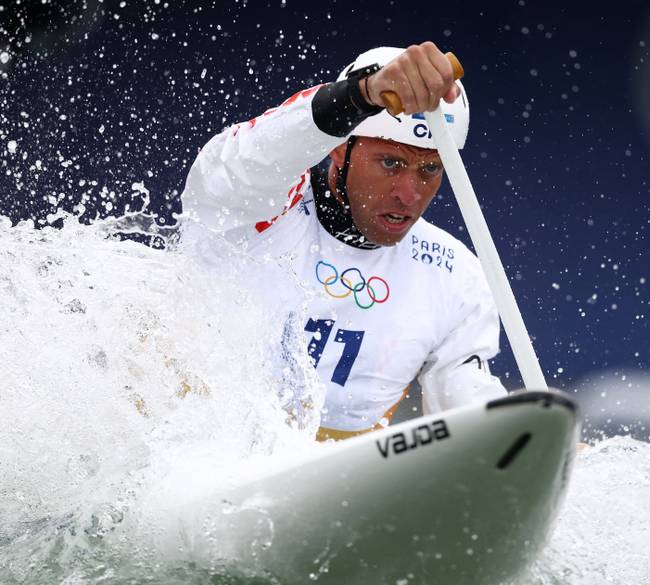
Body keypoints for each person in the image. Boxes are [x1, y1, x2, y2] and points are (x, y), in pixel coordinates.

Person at [178, 42, 507, 441]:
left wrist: (524, 438)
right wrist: (361, 95)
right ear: (339, 146)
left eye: (430, 169)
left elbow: (468, 407)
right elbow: (250, 155)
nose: (409, 194)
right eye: (391, 163)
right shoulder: (253, 208)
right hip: (183, 447)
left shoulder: (456, 274)